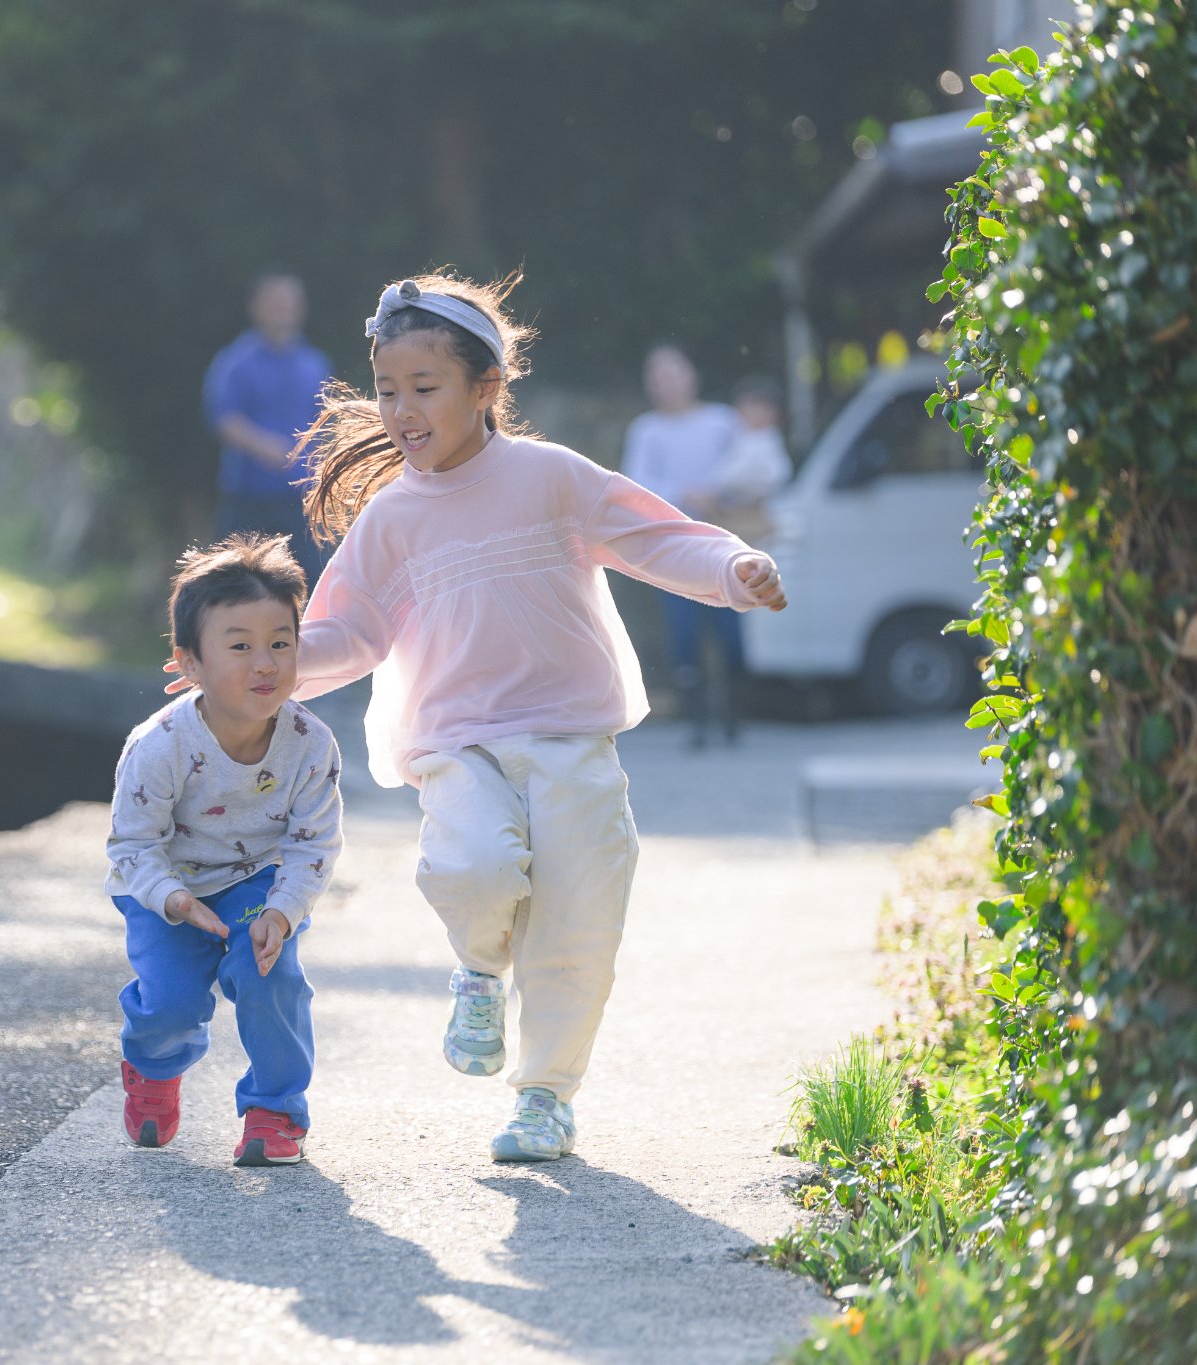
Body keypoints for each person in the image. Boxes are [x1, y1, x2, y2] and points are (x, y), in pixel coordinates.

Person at [287, 273, 784, 1163]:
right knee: (475, 866)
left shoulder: (551, 477)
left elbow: (656, 534)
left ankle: (546, 1095)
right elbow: (345, 630)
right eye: (388, 390)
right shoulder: (392, 516)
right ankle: (479, 967)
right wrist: (266, 669)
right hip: (454, 742)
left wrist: (732, 567)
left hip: (569, 737)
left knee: (577, 924)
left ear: (487, 388)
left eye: (423, 389)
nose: (400, 411)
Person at [107, 533, 343, 1167]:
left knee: (272, 976)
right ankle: (153, 1067)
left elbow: (312, 840)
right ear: (189, 663)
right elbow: (132, 844)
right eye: (239, 646)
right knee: (171, 1002)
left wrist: (283, 910)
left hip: (255, 882)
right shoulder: (160, 746)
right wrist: (174, 901)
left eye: (280, 644)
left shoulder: (309, 744)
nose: (264, 663)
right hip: (167, 886)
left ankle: (275, 1111)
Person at [620, 345, 751, 747]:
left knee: (732, 635)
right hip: (673, 549)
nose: (668, 382)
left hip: (726, 543)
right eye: (658, 375)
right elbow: (634, 485)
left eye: (673, 372)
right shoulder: (646, 430)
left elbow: (750, 468)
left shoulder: (723, 422)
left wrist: (721, 495)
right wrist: (687, 494)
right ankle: (696, 721)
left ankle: (734, 715)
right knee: (685, 637)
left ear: (692, 374)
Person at [202, 273, 333, 580]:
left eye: (291, 303)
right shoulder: (236, 361)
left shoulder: (315, 364)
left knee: (311, 587)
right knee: (236, 587)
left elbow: (327, 422)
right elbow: (222, 417)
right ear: (256, 306)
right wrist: (263, 446)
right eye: (276, 302)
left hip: (301, 502)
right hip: (249, 499)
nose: (284, 309)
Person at [695, 375, 794, 550]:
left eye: (755, 407)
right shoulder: (744, 437)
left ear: (771, 412)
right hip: (732, 511)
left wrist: (715, 490)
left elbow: (774, 475)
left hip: (752, 514)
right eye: (744, 406)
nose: (748, 412)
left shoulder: (764, 441)